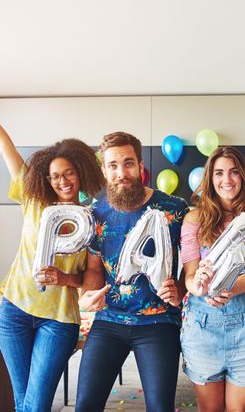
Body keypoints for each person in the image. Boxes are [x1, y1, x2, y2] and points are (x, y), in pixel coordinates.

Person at [0, 75, 105, 411]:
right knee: (23, 401)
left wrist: (64, 279)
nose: (62, 180)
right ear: (45, 179)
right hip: (14, 312)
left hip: (58, 320)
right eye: (55, 176)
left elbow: (92, 280)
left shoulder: (94, 220)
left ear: (80, 171)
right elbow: (5, 147)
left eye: (68, 172)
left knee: (34, 405)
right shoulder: (34, 201)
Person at [75, 131, 188, 412]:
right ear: (104, 170)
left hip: (159, 322)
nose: (121, 172)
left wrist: (181, 290)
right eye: (113, 165)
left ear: (140, 165)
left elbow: (194, 265)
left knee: (160, 408)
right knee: (85, 406)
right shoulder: (95, 213)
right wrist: (88, 294)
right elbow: (93, 268)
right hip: (109, 321)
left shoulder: (175, 209)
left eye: (127, 163)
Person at [180, 147, 245, 412]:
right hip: (202, 325)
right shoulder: (194, 219)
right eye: (219, 173)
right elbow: (189, 275)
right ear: (210, 178)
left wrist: (228, 289)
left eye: (233, 172)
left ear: (243, 176)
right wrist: (199, 283)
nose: (227, 180)